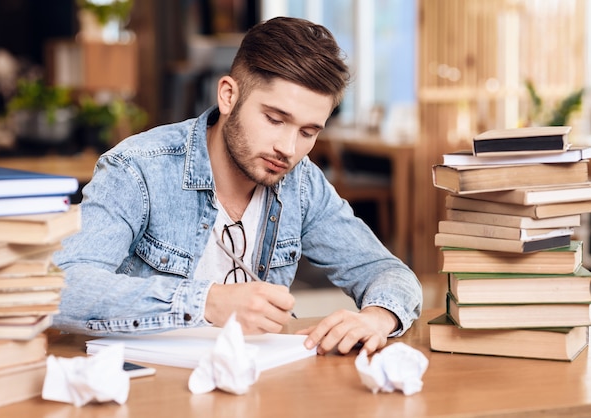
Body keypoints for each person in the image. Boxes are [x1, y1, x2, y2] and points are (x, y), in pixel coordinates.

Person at [53, 16, 422, 355]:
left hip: (258, 384)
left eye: (308, 132)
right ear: (228, 95)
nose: (289, 149)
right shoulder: (138, 168)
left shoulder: (302, 182)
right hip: (151, 386)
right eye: (275, 119)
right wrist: (206, 302)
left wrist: (377, 316)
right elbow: (63, 291)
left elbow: (387, 271)